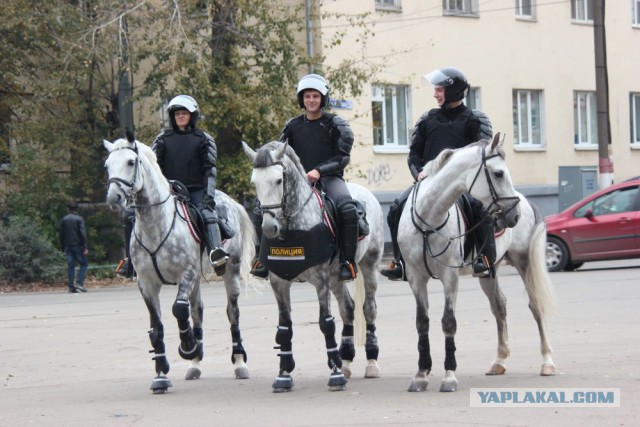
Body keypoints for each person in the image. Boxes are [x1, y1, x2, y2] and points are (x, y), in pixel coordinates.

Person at [381, 67, 494, 281]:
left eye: (440, 90)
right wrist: (418, 173)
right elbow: (414, 153)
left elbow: (481, 152)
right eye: (436, 90)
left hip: (461, 185)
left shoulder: (474, 120)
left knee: (480, 208)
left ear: (453, 91)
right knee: (396, 207)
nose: (435, 94)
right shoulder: (427, 119)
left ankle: (483, 259)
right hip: (428, 182)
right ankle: (400, 262)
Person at [251, 73, 359, 281]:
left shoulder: (337, 125)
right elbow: (278, 152)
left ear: (323, 99)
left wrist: (319, 171)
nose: (311, 100)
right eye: (307, 96)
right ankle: (261, 260)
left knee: (347, 209)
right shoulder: (292, 125)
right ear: (302, 99)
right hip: (297, 182)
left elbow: (342, 157)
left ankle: (348, 262)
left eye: (315, 96)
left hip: (329, 179)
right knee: (261, 208)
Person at [116, 95, 229, 276]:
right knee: (131, 214)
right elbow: (152, 168)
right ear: (172, 116)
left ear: (192, 116)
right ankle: (130, 261)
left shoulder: (204, 139)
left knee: (207, 214)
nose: (181, 116)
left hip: (196, 190)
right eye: (177, 114)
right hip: (169, 190)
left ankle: (216, 253)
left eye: (184, 113)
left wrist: (208, 196)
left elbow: (210, 170)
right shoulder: (162, 139)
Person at [59, 201, 89, 293]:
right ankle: (80, 283)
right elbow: (82, 233)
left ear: (69, 209)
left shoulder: (64, 219)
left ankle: (71, 286)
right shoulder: (79, 219)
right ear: (77, 208)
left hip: (68, 246)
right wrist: (85, 246)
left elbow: (61, 234)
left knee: (71, 266)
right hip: (77, 246)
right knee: (84, 264)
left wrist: (62, 246)